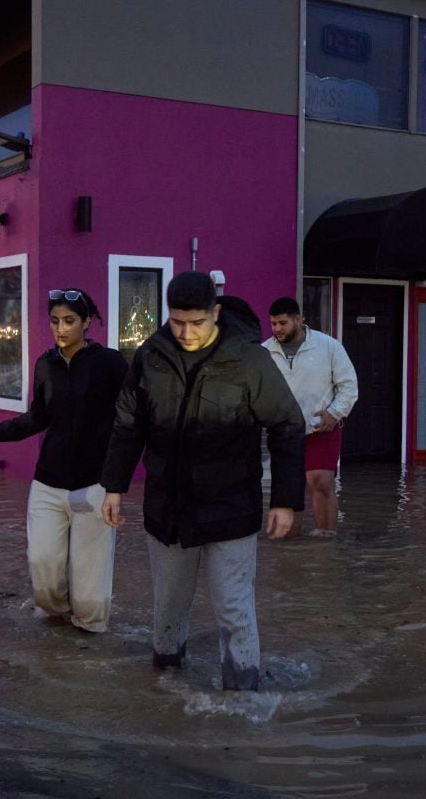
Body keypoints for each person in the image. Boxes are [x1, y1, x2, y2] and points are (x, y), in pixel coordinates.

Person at [100, 272, 304, 691]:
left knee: (234, 607)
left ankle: (244, 696)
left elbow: (286, 425)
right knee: (168, 606)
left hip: (231, 505)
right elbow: (127, 424)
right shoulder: (150, 357)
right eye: (177, 323)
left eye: (196, 323)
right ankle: (165, 688)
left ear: (216, 312)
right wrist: (114, 486)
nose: (187, 333)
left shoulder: (249, 360)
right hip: (167, 506)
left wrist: (285, 500)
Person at [0, 288, 127, 632]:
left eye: (69, 321)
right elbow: (37, 417)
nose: (61, 328)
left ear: (87, 323)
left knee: (90, 590)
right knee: (42, 567)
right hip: (48, 483)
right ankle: (56, 638)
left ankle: (85, 651)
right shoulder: (45, 364)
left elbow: (129, 423)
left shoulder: (111, 364)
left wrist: (117, 482)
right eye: (55, 321)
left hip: (94, 484)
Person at [263, 297, 358, 538]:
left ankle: (325, 542)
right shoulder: (264, 352)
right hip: (284, 432)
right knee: (288, 489)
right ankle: (290, 548)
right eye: (273, 324)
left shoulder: (329, 346)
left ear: (298, 319)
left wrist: (335, 414)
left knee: (321, 483)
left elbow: (349, 385)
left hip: (321, 428)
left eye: (282, 323)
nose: (277, 329)